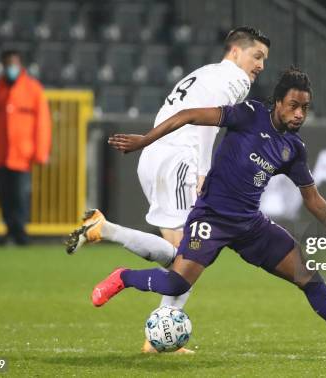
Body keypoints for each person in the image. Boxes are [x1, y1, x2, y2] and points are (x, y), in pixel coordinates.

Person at [101, 68, 326, 360]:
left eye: (305, 108)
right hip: (211, 218)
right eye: (294, 106)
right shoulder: (248, 114)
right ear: (278, 103)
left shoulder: (293, 148)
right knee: (177, 285)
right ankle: (124, 277)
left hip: (250, 225)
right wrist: (144, 141)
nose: (299, 113)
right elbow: (188, 115)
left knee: (309, 278)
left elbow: (314, 201)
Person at [65, 27, 270, 353]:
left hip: (157, 156)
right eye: (256, 56)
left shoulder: (204, 74)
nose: (259, 65)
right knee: (191, 257)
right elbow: (206, 125)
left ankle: (156, 330)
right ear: (234, 51)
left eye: (264, 60)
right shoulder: (236, 79)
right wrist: (203, 172)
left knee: (179, 257)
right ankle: (119, 253)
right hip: (179, 158)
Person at [0, 50, 51, 246]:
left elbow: (42, 124)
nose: (11, 68)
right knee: (3, 194)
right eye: (8, 64)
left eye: (14, 64)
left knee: (20, 194)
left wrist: (41, 152)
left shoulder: (33, 89)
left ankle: (19, 232)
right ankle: (11, 230)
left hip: (22, 153)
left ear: (21, 65)